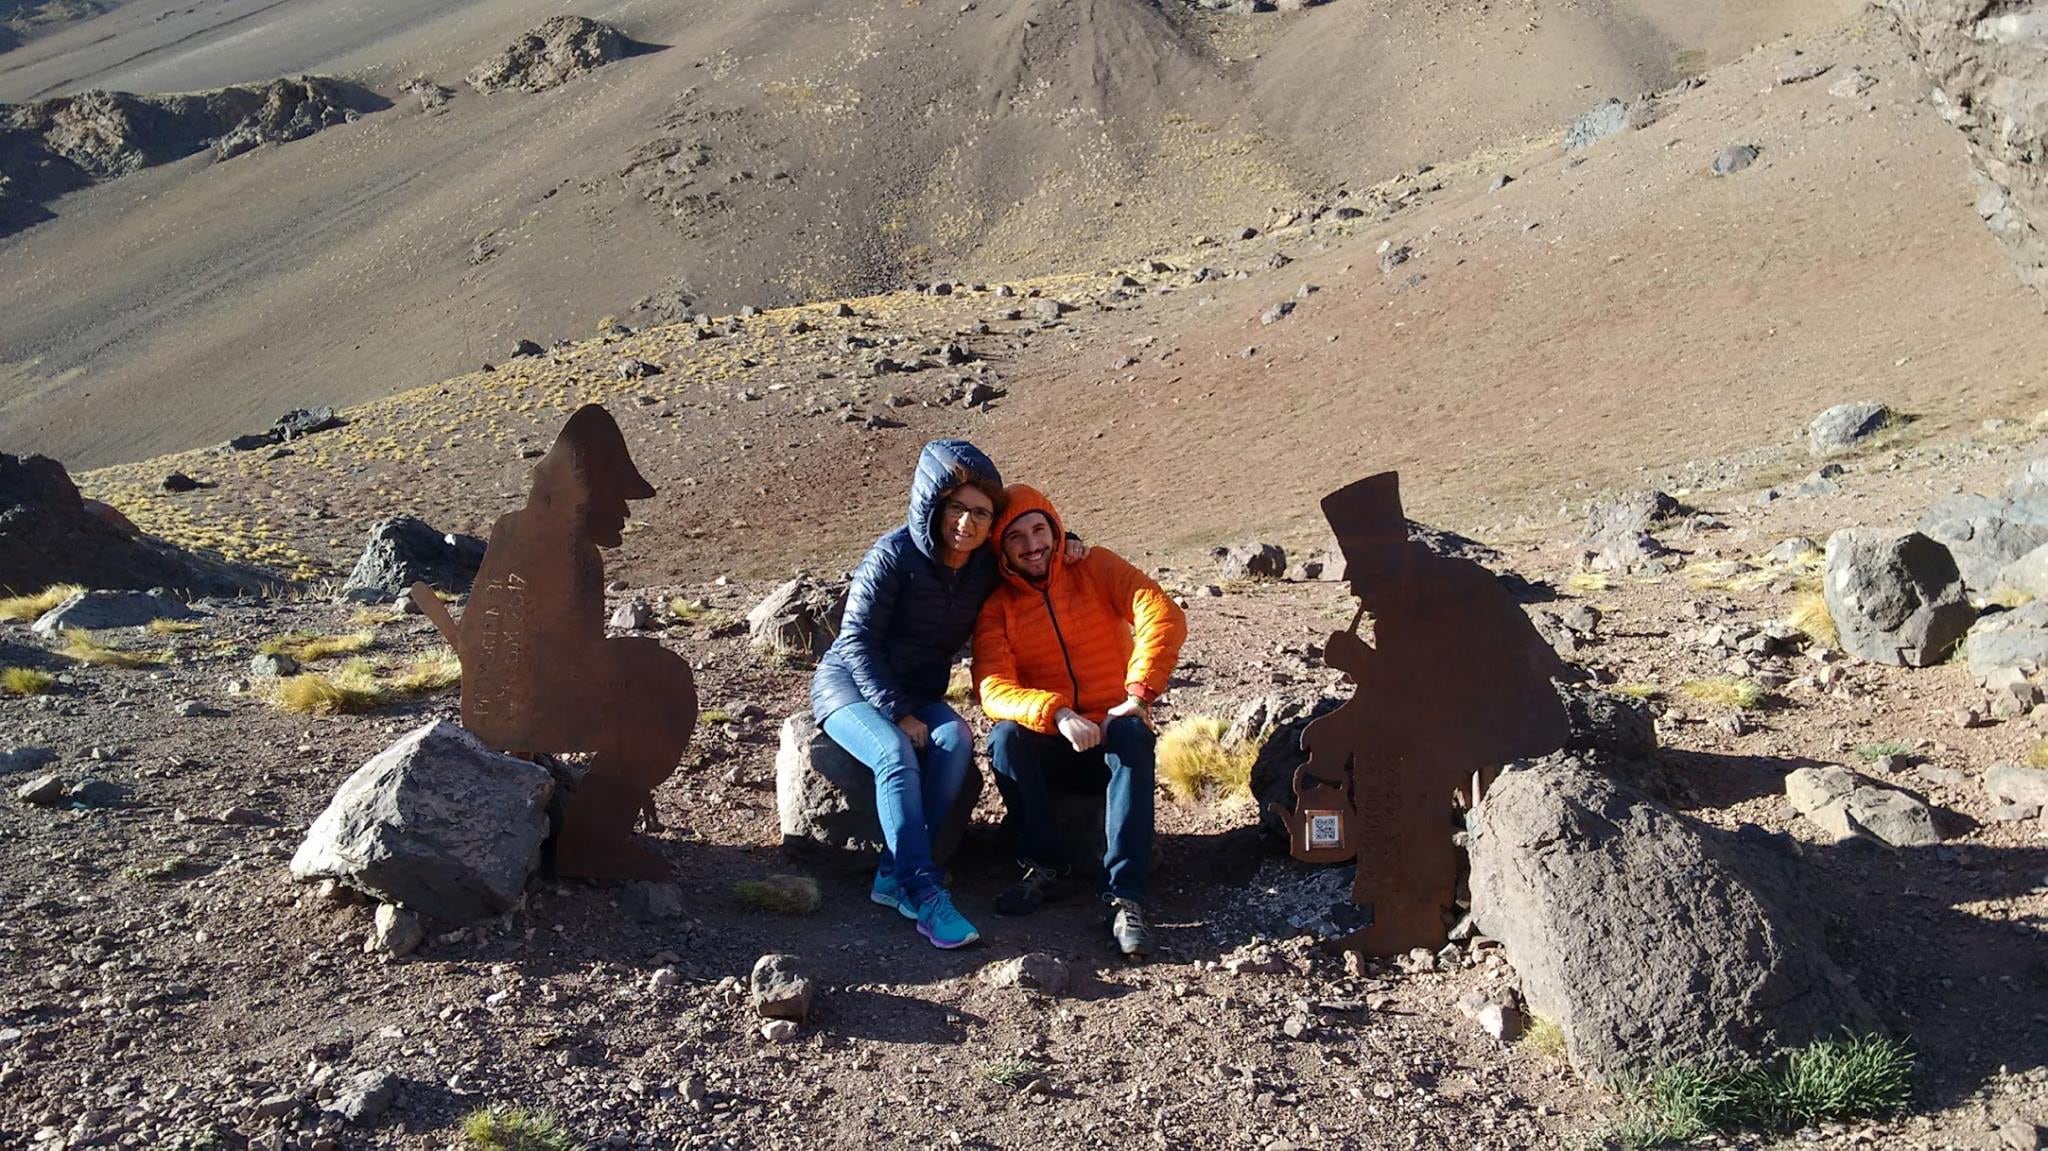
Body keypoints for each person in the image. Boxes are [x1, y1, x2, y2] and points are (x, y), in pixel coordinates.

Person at [810, 440, 1036, 949]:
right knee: (894, 753)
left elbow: (1036, 553)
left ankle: (895, 874)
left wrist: (1075, 545)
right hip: (847, 683)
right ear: (933, 503)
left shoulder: (982, 568)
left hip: (915, 688)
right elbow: (856, 640)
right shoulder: (892, 555)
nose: (968, 523)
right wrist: (899, 713)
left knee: (955, 738)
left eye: (981, 512)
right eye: (958, 507)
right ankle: (925, 891)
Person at [972, 484, 1187, 959]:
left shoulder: (1094, 567)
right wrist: (1058, 713)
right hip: (1056, 740)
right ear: (1001, 549)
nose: (1033, 545)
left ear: (1055, 527)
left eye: (1040, 529)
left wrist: (1138, 694)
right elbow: (992, 687)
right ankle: (1046, 866)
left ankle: (1124, 895)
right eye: (1016, 538)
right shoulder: (997, 608)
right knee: (1006, 739)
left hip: (1111, 727)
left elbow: (1160, 611)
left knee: (1133, 734)